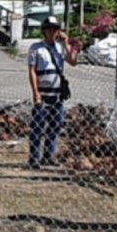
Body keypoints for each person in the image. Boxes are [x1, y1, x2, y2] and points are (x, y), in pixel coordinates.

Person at [28, 16, 77, 169]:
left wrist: (66, 43)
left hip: (57, 94)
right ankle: (34, 158)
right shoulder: (36, 48)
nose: (53, 32)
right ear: (44, 31)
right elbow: (32, 70)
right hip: (43, 93)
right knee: (38, 126)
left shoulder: (60, 48)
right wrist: (35, 92)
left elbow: (73, 61)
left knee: (55, 125)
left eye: (55, 29)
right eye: (49, 29)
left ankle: (49, 155)